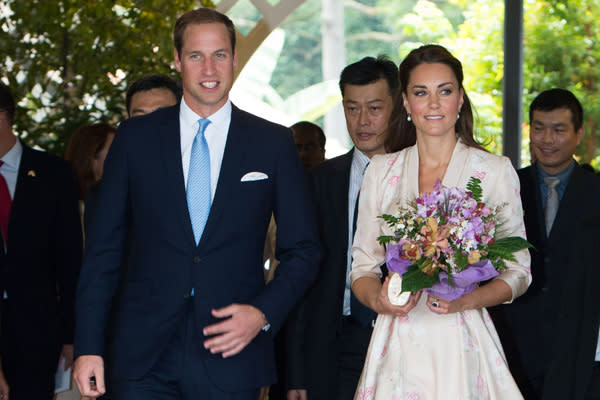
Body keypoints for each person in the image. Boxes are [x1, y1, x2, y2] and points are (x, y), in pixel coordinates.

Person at [72, 8, 320, 400]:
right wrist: (87, 346)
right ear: (176, 60)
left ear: (235, 59)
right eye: (195, 55)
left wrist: (262, 313)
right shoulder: (135, 139)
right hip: (142, 355)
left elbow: (304, 249)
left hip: (232, 351)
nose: (209, 68)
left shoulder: (271, 143)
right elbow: (103, 252)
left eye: (219, 54)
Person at [350, 44, 530, 399]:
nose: (433, 104)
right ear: (405, 102)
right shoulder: (381, 171)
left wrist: (467, 300)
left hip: (462, 341)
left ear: (460, 98)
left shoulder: (493, 171)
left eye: (444, 91)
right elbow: (361, 269)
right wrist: (381, 301)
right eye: (421, 93)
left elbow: (519, 271)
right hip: (397, 338)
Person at [285, 56, 398, 400]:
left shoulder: (421, 176)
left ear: (398, 106)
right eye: (352, 109)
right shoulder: (318, 182)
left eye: (375, 108)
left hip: (403, 339)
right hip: (333, 344)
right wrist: (295, 373)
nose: (362, 121)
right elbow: (300, 276)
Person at [489, 88, 600, 399]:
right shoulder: (506, 187)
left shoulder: (595, 192)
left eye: (558, 129)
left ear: (579, 133)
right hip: (513, 339)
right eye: (539, 127)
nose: (547, 139)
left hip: (578, 347)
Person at [0, 82, 83, 399]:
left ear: (3, 117)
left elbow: (71, 259)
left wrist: (72, 334)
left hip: (38, 329)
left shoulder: (53, 173)